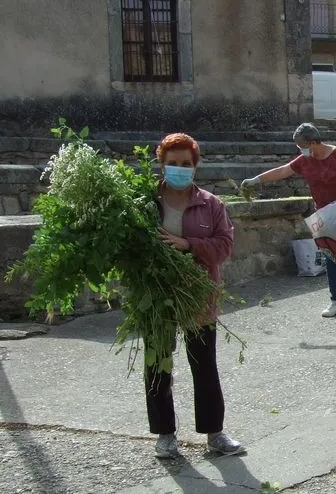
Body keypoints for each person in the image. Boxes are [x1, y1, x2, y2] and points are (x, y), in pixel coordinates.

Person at [151, 133, 242, 458]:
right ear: (161, 165)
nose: (179, 169)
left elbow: (224, 247)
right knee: (157, 365)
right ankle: (165, 434)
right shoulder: (146, 203)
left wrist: (189, 245)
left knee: (204, 365)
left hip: (199, 295)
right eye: (172, 164)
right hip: (155, 295)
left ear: (195, 166)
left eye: (185, 164)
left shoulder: (211, 204)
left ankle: (215, 434)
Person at [241, 123, 336, 318]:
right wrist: (256, 180)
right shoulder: (304, 160)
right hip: (323, 213)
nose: (300, 149)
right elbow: (283, 171)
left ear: (313, 142)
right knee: (330, 256)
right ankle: (335, 302)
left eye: (302, 145)